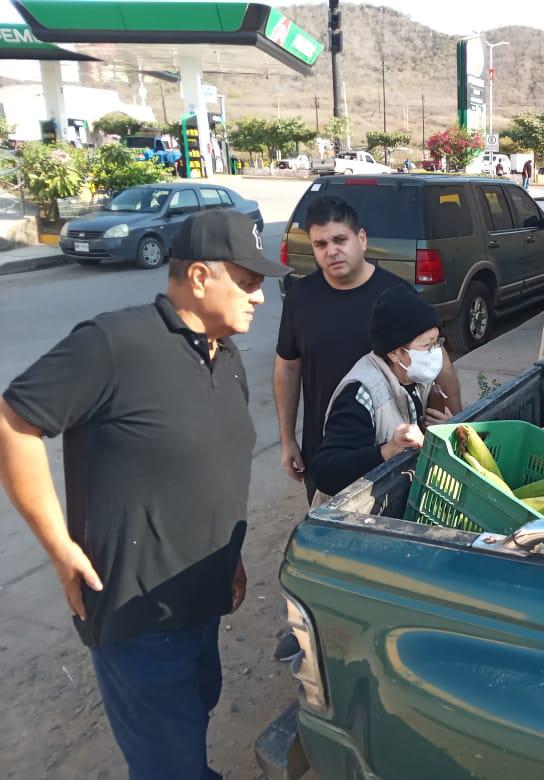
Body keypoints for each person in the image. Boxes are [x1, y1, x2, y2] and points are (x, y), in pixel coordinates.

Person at [0, 210, 289, 779]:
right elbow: (14, 421)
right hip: (135, 612)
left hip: (200, 599)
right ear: (201, 277)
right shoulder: (115, 344)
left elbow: (211, 465)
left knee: (195, 714)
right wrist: (59, 547)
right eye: (248, 281)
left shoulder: (223, 353)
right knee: (170, 767)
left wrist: (228, 562)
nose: (258, 297)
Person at [274, 196, 461, 505]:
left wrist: (455, 422)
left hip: (391, 442)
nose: (331, 250)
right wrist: (286, 439)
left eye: (340, 239)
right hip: (326, 446)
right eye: (320, 244)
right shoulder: (300, 297)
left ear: (361, 239)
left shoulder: (395, 294)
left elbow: (437, 360)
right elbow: (288, 367)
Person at [310, 286, 453, 500]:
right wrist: (388, 450)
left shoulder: (418, 377)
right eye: (427, 345)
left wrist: (446, 428)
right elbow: (325, 472)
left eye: (437, 342)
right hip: (354, 518)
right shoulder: (362, 395)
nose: (435, 352)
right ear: (395, 353)